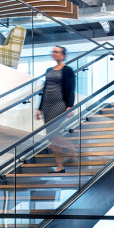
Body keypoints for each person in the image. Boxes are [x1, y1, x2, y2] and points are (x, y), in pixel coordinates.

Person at [36, 45, 76, 173]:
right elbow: (45, 89)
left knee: (54, 134)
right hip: (47, 105)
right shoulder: (48, 70)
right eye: (53, 51)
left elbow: (71, 88)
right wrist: (39, 108)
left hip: (60, 104)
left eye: (57, 52)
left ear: (63, 56)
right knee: (52, 136)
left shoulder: (67, 70)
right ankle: (60, 165)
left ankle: (71, 150)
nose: (54, 53)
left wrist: (70, 106)